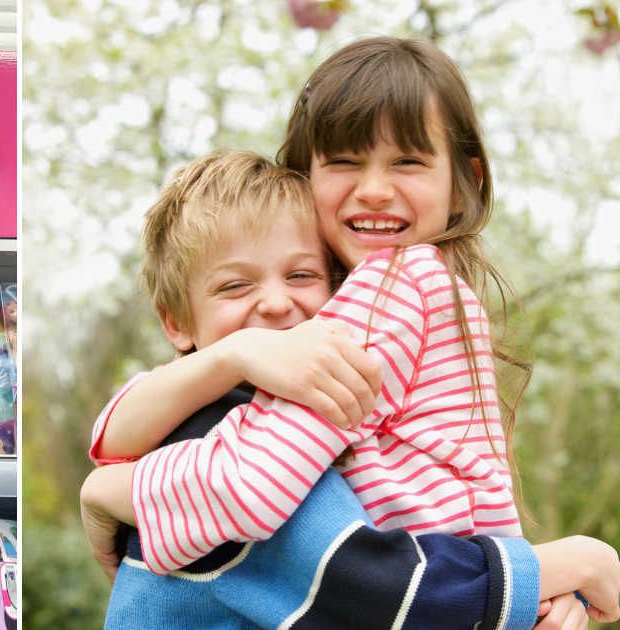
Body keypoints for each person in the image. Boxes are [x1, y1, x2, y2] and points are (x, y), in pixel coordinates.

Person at [79, 49, 620, 623]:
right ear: (306, 177)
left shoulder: (397, 290)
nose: (375, 190)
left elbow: (255, 487)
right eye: (343, 161)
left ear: (464, 182)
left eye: (408, 161)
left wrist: (532, 594)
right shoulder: (402, 292)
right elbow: (231, 474)